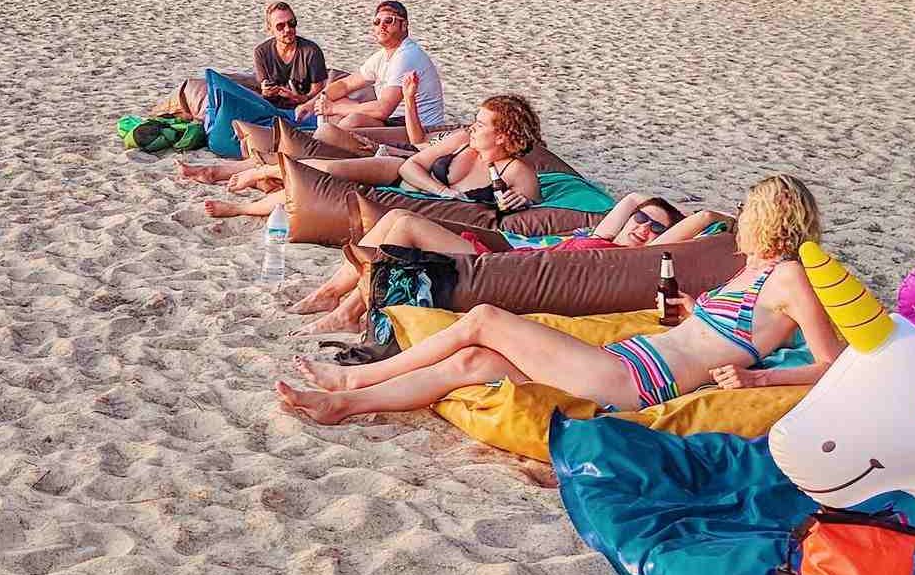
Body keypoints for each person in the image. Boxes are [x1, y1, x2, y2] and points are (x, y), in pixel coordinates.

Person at [275, 175, 845, 424]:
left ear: (768, 221)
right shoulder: (751, 271)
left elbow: (832, 364)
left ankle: (352, 382)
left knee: (485, 319)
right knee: (476, 361)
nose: (740, 223)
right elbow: (724, 332)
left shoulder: (791, 277)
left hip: (641, 383)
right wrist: (693, 312)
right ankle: (345, 405)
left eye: (748, 214)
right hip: (634, 357)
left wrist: (755, 381)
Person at [290, 194, 734, 334]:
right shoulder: (598, 236)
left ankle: (343, 309)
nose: (642, 228)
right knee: (393, 223)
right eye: (639, 221)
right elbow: (632, 200)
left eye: (654, 228)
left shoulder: (625, 259)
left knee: (402, 223)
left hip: (503, 271)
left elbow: (683, 233)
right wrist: (642, 203)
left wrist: (713, 217)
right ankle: (333, 294)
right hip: (506, 256)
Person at [202, 92, 540, 221]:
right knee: (328, 168)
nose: (473, 125)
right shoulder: (462, 139)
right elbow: (411, 165)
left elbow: (535, 210)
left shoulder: (517, 173)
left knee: (315, 189)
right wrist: (442, 192)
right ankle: (265, 169)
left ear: (504, 135)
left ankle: (242, 208)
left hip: (417, 196)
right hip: (400, 174)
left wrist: (520, 205)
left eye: (482, 123)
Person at [309, 0, 445, 129]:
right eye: (377, 22)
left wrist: (333, 108)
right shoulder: (383, 55)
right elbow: (345, 84)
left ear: (404, 25)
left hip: (418, 127)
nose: (382, 26)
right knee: (338, 107)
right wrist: (318, 102)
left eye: (388, 21)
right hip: (395, 121)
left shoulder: (406, 55)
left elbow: (383, 109)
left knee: (352, 121)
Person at [252, 2, 329, 110]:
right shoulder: (261, 52)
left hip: (303, 109)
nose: (287, 29)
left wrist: (300, 99)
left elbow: (318, 91)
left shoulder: (311, 51)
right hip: (272, 108)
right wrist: (266, 92)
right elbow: (263, 86)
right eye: (280, 26)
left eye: (291, 23)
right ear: (270, 29)